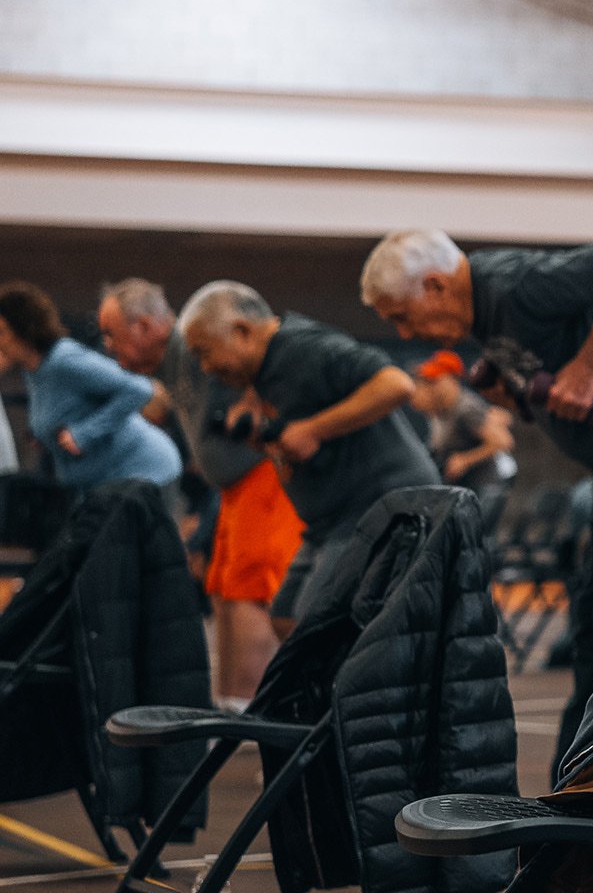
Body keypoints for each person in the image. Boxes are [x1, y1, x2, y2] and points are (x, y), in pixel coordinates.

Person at [359, 229, 593, 778]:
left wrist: (589, 365)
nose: (406, 333)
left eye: (403, 316)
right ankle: (575, 790)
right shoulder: (486, 321)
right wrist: (514, 395)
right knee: (590, 624)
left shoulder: (510, 285)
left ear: (436, 284)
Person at [179, 281, 439, 636]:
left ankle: (363, 689)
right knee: (285, 617)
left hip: (379, 503)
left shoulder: (304, 348)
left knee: (316, 624)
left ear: (242, 332)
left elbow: (396, 384)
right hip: (330, 522)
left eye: (204, 352)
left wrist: (313, 429)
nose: (206, 367)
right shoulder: (265, 371)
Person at [98, 277, 303, 707]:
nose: (109, 347)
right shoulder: (174, 366)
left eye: (113, 335)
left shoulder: (192, 347)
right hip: (233, 492)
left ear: (143, 328)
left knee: (250, 590)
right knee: (225, 589)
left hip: (266, 483)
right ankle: (231, 708)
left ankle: (252, 713)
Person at [0, 281, 181, 496]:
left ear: (22, 329)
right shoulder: (33, 371)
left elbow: (139, 389)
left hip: (144, 473)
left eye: (2, 331)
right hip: (101, 487)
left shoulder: (63, 360)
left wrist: (84, 433)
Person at [409, 350, 516, 491]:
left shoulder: (466, 408)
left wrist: (465, 460)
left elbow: (503, 441)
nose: (432, 386)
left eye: (435, 380)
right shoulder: (440, 411)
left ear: (450, 379)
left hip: (482, 488)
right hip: (461, 488)